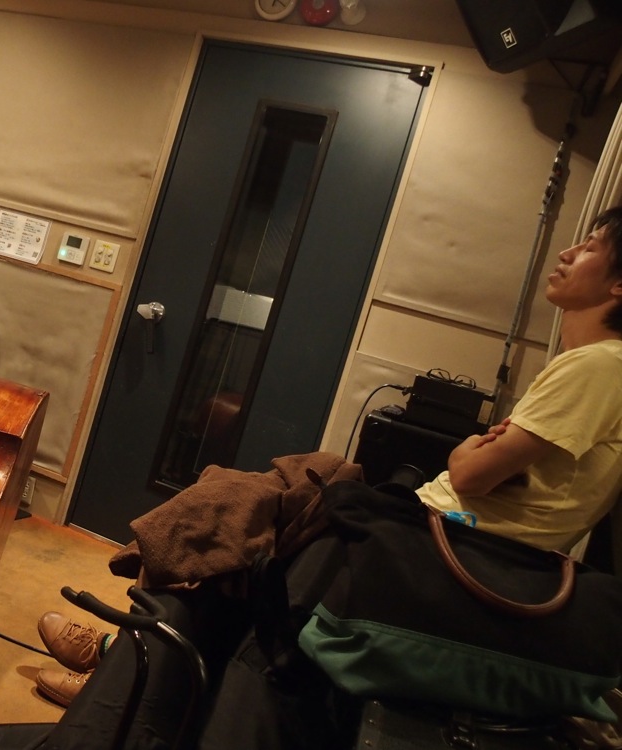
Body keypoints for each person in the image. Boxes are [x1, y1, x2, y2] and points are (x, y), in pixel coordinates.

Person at [34, 205, 622, 708]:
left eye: (592, 246)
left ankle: (113, 669)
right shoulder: (594, 365)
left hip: (450, 543)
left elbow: (470, 472)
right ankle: (121, 662)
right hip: (434, 525)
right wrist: (484, 445)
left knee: (238, 506)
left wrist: (472, 446)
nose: (569, 252)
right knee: (248, 512)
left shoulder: (600, 366)